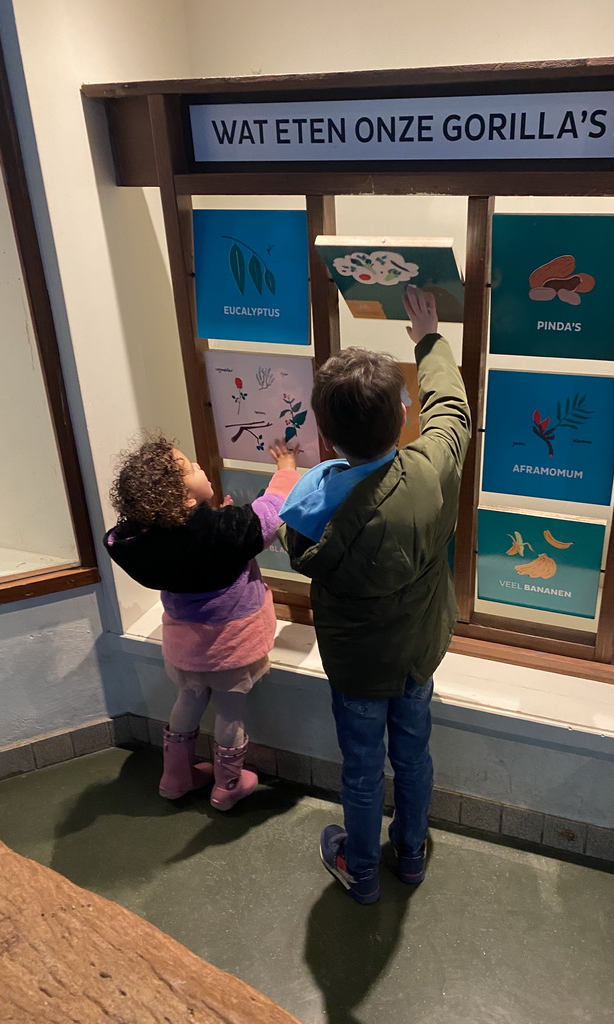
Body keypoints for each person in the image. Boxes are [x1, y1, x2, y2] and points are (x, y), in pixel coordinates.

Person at [279, 286, 471, 903]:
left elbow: (291, 522)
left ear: (328, 439)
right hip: (417, 655)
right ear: (403, 413)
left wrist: (310, 472)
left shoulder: (315, 498)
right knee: (413, 757)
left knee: (362, 772)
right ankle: (410, 855)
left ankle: (360, 870)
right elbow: (453, 414)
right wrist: (429, 340)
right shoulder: (430, 469)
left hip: (358, 670)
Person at [105, 435, 298, 810]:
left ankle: (175, 776)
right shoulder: (223, 532)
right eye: (192, 468)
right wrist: (286, 469)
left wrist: (218, 515)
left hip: (185, 646)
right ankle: (228, 784)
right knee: (230, 712)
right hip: (231, 644)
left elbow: (198, 542)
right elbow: (270, 513)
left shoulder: (145, 539)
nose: (200, 466)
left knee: (188, 700)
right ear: (186, 500)